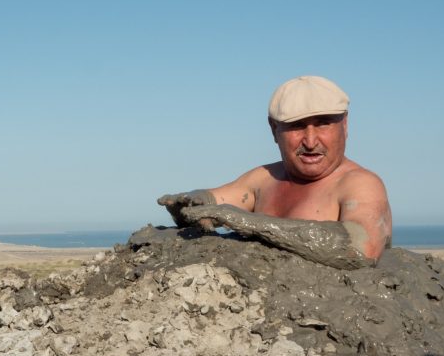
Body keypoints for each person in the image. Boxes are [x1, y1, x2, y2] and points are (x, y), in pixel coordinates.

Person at [158, 76, 392, 270]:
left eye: (323, 124)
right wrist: (189, 203)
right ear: (274, 129)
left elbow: (361, 249)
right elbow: (214, 205)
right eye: (296, 126)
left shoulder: (360, 184)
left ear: (345, 125)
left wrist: (249, 223)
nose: (310, 141)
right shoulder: (265, 178)